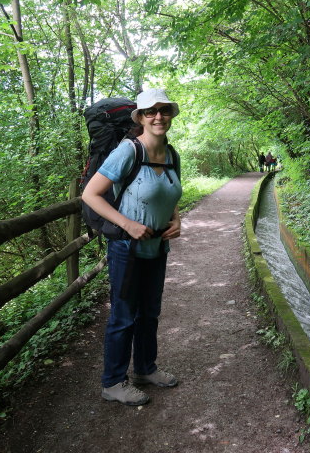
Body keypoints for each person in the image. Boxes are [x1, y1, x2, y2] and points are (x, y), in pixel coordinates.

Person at [82, 88, 182, 406]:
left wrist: (177, 220)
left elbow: (171, 192)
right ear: (139, 117)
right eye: (150, 111)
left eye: (164, 110)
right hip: (127, 248)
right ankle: (113, 382)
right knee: (124, 316)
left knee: (150, 313)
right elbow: (91, 195)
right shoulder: (129, 151)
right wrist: (127, 224)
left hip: (157, 247)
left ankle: (145, 369)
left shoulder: (171, 154)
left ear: (170, 115)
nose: (158, 116)